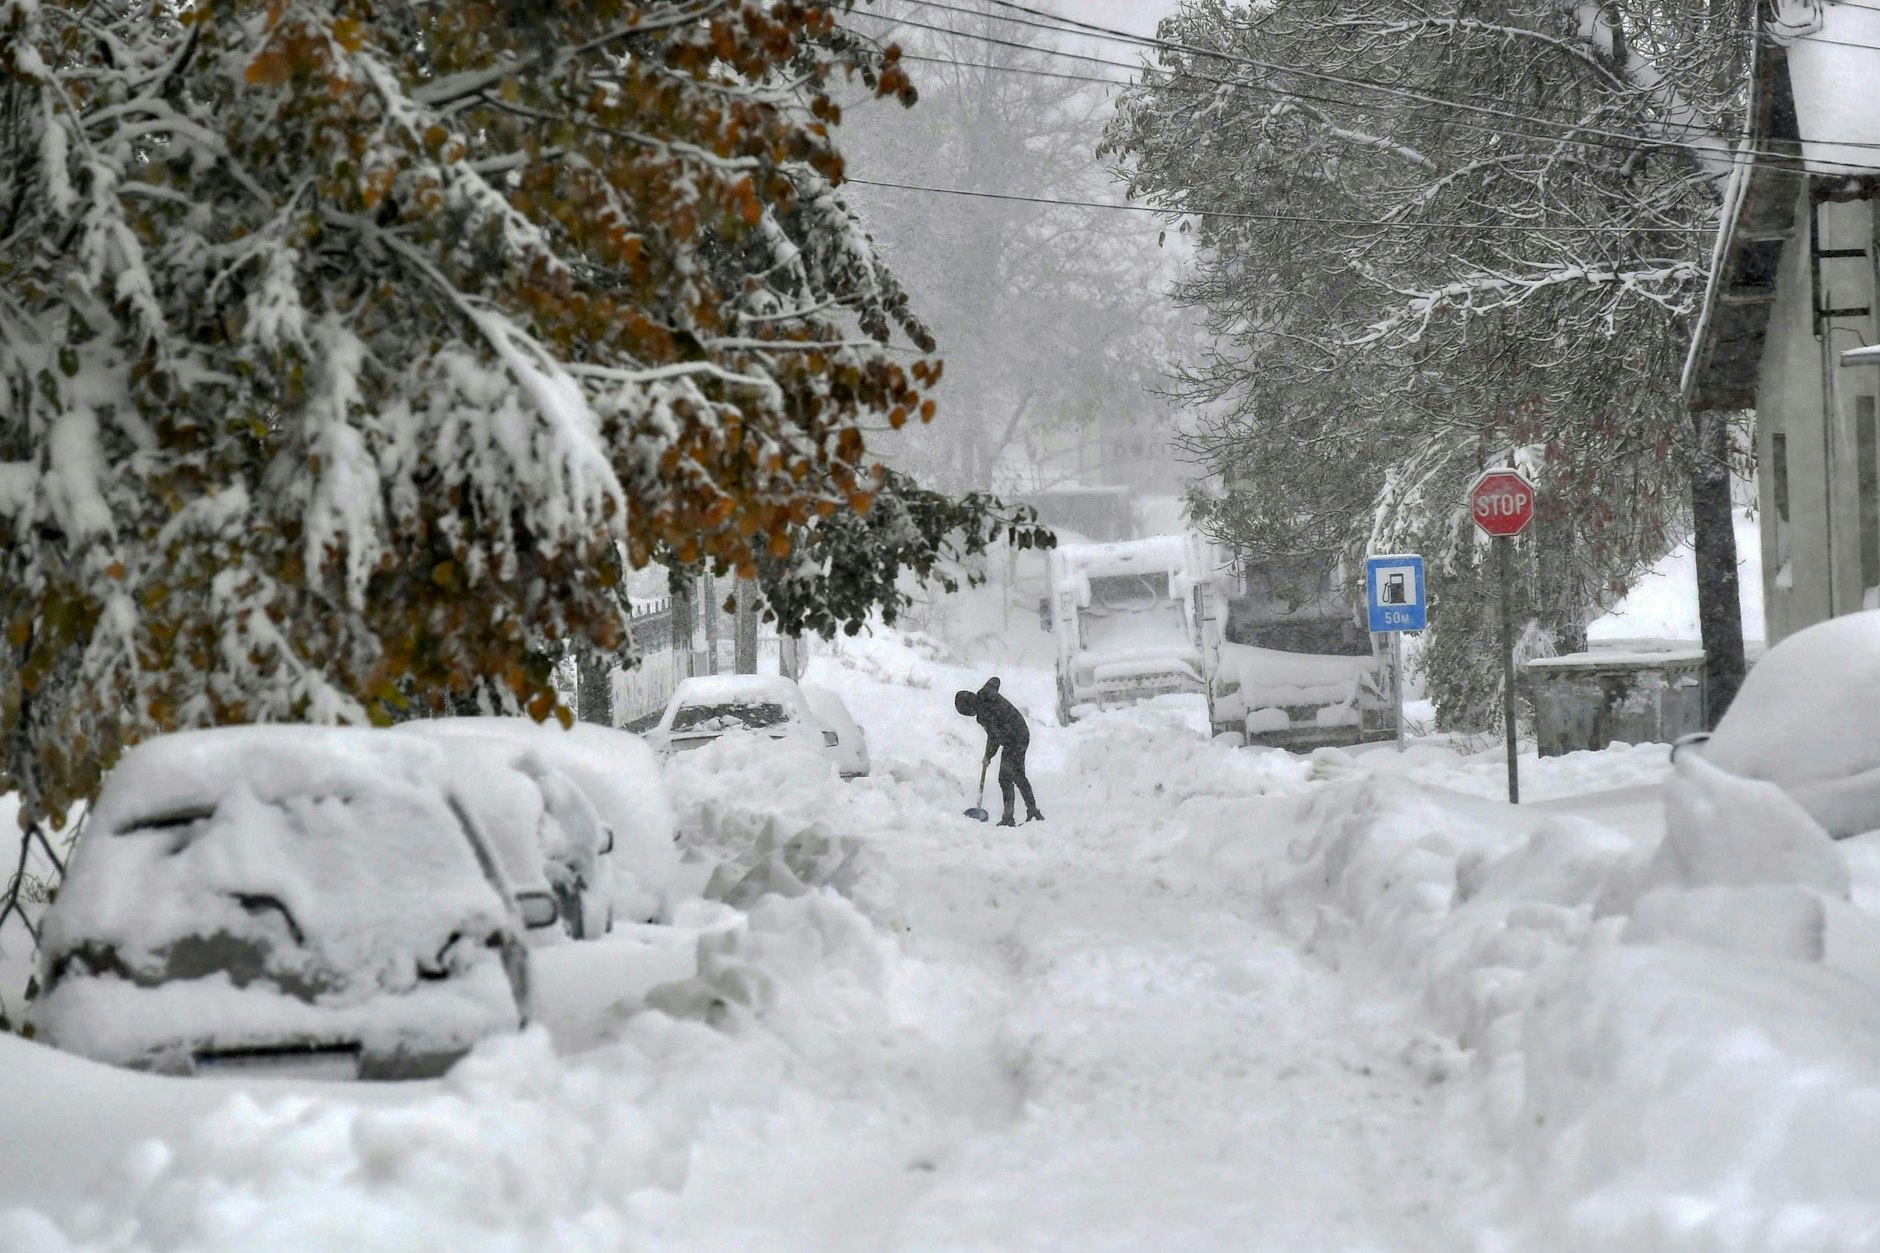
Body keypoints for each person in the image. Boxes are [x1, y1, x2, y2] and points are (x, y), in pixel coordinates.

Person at [954, 676, 1043, 827]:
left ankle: (1022, 814)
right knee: (1011, 776)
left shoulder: (984, 714)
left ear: (969, 709)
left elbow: (994, 737)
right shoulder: (984, 693)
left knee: (1010, 776)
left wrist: (988, 756)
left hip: (1015, 738)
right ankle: (1024, 813)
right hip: (1018, 733)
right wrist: (990, 692)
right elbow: (995, 680)